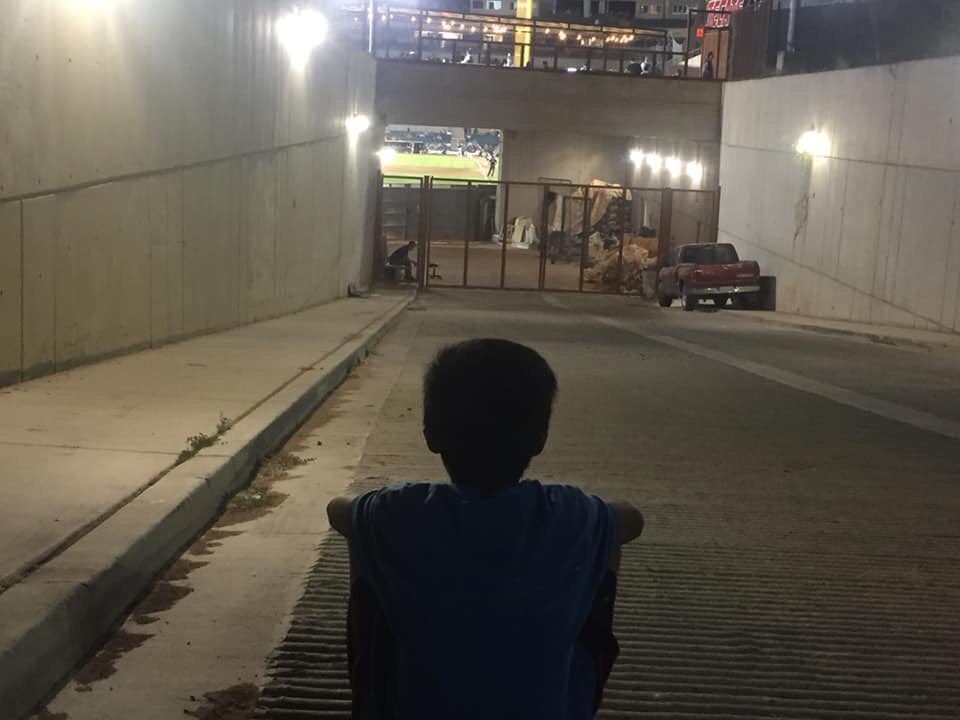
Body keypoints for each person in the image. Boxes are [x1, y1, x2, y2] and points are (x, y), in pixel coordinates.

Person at [328, 339, 645, 720]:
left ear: (431, 433)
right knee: (603, 548)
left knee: (370, 554)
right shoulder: (572, 515)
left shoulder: (397, 513)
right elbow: (630, 519)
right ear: (540, 439)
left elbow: (338, 511)